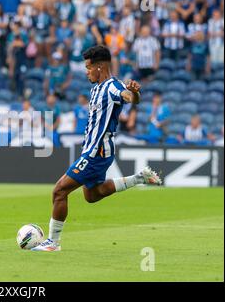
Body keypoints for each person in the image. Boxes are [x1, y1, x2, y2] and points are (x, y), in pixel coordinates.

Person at [32, 45, 162, 252]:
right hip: (93, 150)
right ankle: (139, 178)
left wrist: (135, 94)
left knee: (59, 191)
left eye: (88, 67)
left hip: (97, 152)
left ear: (100, 67)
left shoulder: (112, 87)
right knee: (92, 195)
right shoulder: (95, 89)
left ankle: (52, 243)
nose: (86, 71)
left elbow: (128, 97)